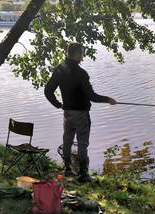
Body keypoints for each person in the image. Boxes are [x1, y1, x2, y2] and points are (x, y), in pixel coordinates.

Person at [44, 43, 116, 182]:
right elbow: (91, 96)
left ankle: (69, 170)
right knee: (82, 143)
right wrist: (108, 99)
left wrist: (58, 105)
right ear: (76, 54)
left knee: (67, 141)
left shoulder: (59, 69)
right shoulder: (81, 73)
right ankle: (83, 174)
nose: (83, 57)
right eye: (82, 54)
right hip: (81, 114)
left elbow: (48, 91)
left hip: (67, 113)